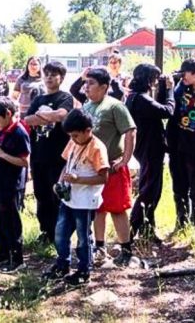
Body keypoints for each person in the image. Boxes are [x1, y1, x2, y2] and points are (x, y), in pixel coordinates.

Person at [41, 109, 109, 285]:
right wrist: (59, 183)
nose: (73, 139)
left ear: (88, 130)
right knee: (60, 234)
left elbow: (104, 177)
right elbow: (67, 164)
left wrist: (80, 179)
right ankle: (62, 264)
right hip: (69, 197)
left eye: (76, 135)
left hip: (85, 201)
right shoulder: (73, 142)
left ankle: (84, 270)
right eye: (70, 136)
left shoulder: (97, 148)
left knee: (83, 237)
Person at [81, 68, 137, 266]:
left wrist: (125, 159)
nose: (86, 87)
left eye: (91, 83)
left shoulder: (115, 106)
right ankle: (99, 247)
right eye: (86, 83)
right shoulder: (86, 107)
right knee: (98, 208)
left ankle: (126, 249)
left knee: (117, 209)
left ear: (104, 87)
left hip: (112, 167)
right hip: (92, 169)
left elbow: (130, 131)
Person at [23, 61, 74, 244]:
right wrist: (46, 117)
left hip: (57, 157)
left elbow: (62, 115)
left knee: (56, 196)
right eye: (47, 74)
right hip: (38, 156)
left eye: (54, 74)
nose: (49, 77)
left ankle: (60, 235)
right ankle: (45, 232)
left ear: (61, 77)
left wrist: (41, 117)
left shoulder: (65, 97)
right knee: (41, 195)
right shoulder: (38, 99)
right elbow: (27, 120)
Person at [125, 64, 174, 244]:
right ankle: (129, 231)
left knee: (152, 188)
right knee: (149, 190)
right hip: (150, 148)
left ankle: (146, 229)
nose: (155, 83)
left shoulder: (133, 97)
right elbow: (167, 111)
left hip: (143, 146)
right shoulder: (141, 99)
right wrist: (169, 91)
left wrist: (162, 89)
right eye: (154, 79)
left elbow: (156, 109)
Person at [0, 96, 31, 273]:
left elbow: (24, 161)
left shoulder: (19, 132)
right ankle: (3, 251)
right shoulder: (3, 130)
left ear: (8, 114)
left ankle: (17, 257)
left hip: (12, 184)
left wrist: (2, 155)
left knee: (11, 221)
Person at [166, 59, 195, 227]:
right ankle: (181, 221)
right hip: (177, 144)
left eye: (185, 72)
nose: (182, 75)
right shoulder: (180, 89)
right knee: (179, 186)